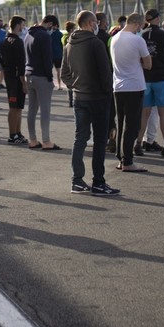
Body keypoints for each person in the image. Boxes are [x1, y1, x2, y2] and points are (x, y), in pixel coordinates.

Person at [61, 10, 119, 196]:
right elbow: (105, 73)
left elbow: (65, 74)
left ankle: (77, 180)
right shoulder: (95, 43)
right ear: (90, 23)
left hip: (79, 97)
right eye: (95, 22)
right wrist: (107, 94)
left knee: (80, 139)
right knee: (100, 141)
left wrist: (75, 86)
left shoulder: (69, 43)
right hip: (98, 98)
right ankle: (98, 182)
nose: (98, 24)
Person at [109, 14, 150, 172]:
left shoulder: (115, 38)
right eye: (140, 26)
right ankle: (128, 160)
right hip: (134, 85)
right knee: (132, 125)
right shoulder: (137, 40)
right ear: (137, 24)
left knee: (121, 123)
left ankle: (121, 158)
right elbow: (148, 64)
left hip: (118, 86)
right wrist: (139, 60)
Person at [139, 9, 164, 158]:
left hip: (145, 78)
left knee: (144, 114)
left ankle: (138, 144)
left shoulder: (141, 35)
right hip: (161, 77)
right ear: (158, 19)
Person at [24, 15, 59, 150]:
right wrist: (50, 78)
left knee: (32, 109)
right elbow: (47, 57)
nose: (53, 30)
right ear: (49, 23)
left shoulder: (28, 34)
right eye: (54, 27)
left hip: (29, 74)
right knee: (45, 110)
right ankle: (46, 141)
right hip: (42, 76)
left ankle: (32, 139)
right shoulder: (44, 36)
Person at [0, 15, 29, 144]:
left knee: (19, 107)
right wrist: (24, 82)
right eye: (22, 25)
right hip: (15, 79)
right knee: (14, 107)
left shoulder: (5, 40)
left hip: (9, 76)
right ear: (17, 25)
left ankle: (18, 133)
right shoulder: (17, 42)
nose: (23, 27)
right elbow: (20, 64)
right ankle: (12, 135)